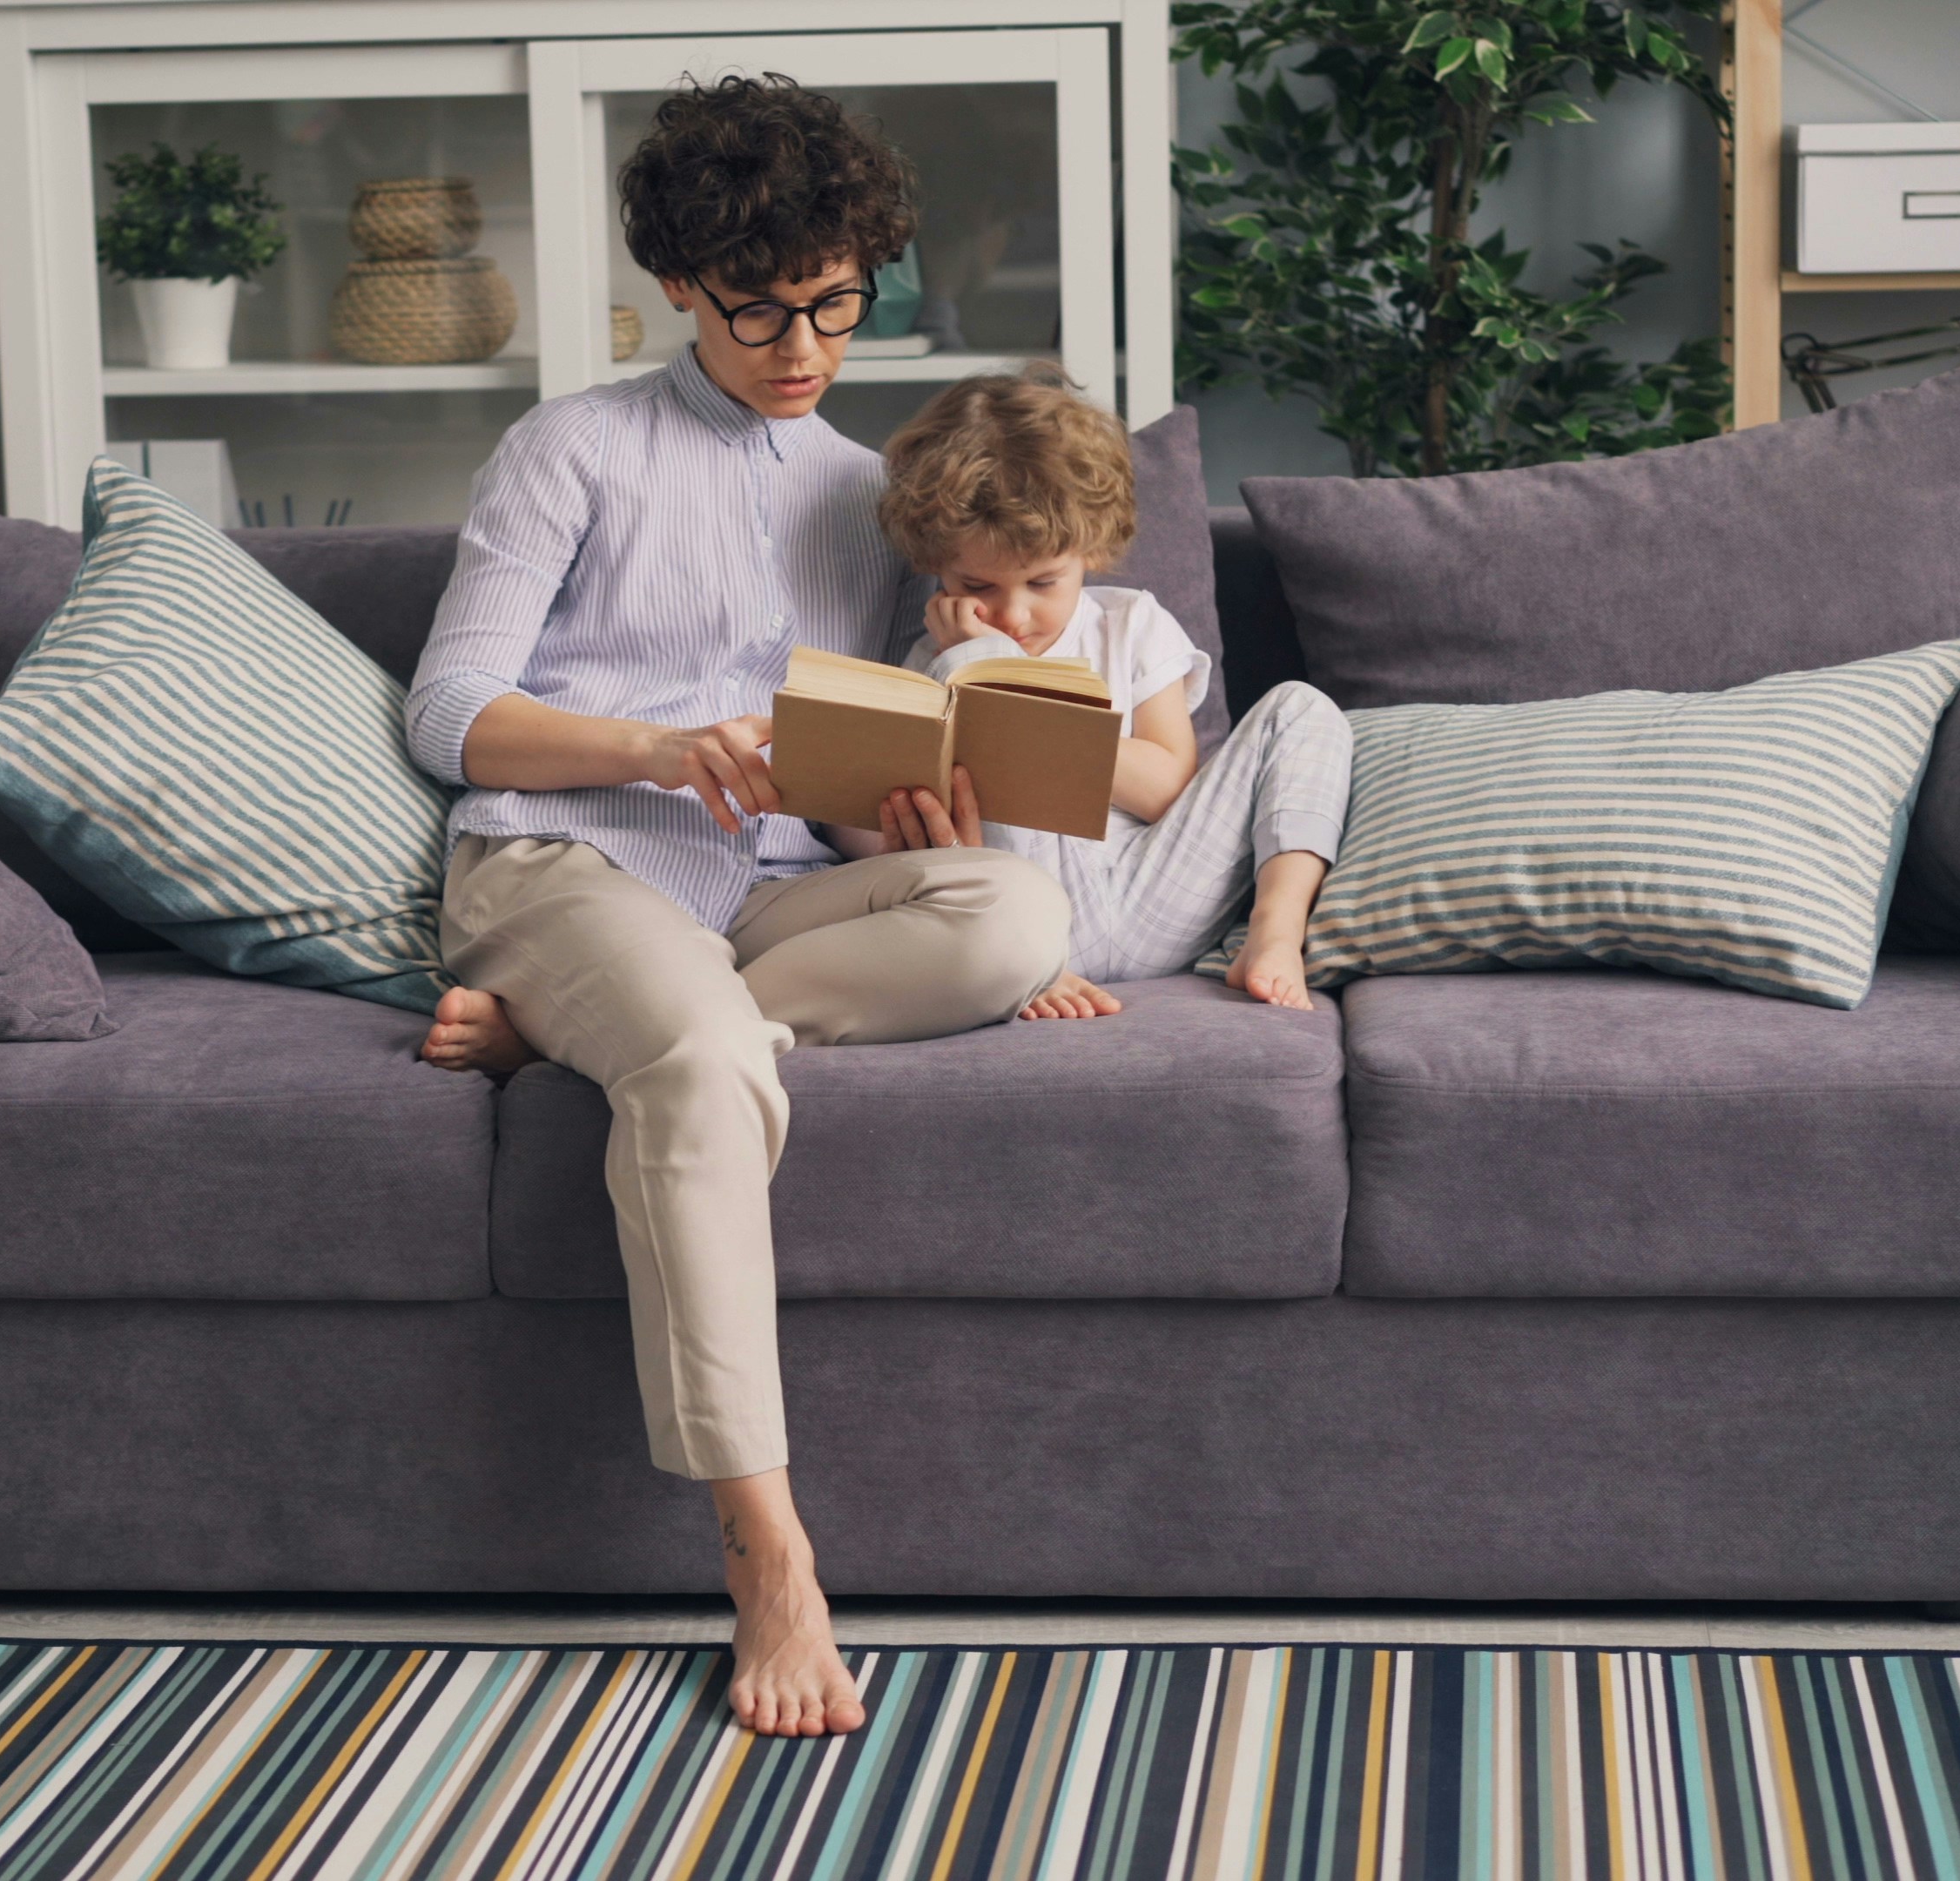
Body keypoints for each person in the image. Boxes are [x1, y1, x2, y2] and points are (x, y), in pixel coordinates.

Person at [402, 78, 1070, 1740]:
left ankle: (597, 1040)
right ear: (680, 286)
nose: (804, 346)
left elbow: (840, 775)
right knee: (703, 1065)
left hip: (762, 895)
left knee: (1012, 918)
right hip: (564, 858)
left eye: (837, 305)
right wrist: (654, 746)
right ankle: (771, 1558)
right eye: (762, 309)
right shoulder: (570, 447)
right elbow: (448, 711)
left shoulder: (868, 490)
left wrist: (895, 807)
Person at [873, 367, 1352, 1014]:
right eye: (976, 587)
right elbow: (912, 829)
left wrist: (1014, 696)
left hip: (1159, 893)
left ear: (1090, 550)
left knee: (1302, 708)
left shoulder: (1130, 625)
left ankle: (1275, 930)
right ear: (936, 567)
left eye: (1043, 583)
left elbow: (1165, 792)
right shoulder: (938, 657)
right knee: (976, 753)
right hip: (1021, 920)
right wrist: (974, 666)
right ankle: (1021, 964)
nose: (1013, 615)